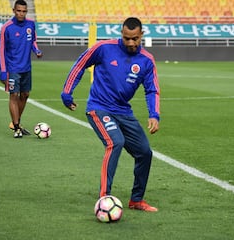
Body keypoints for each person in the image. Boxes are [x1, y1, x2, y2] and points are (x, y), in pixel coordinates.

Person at [61, 17, 160, 212]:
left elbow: (152, 90)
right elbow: (80, 64)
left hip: (123, 111)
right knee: (115, 142)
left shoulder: (147, 61)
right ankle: (104, 199)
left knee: (145, 153)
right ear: (121, 34)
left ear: (142, 35)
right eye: (126, 38)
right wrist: (67, 91)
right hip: (99, 107)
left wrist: (154, 114)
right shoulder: (104, 48)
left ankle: (136, 200)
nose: (130, 43)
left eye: (135, 39)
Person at [0, 0, 43, 138]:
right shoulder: (7, 27)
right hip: (12, 68)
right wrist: (3, 71)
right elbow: (1, 50)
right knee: (14, 95)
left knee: (25, 95)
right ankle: (17, 127)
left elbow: (33, 40)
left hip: (26, 68)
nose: (21, 14)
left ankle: (16, 122)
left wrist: (36, 50)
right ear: (13, 10)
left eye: (24, 11)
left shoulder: (30, 24)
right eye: (18, 11)